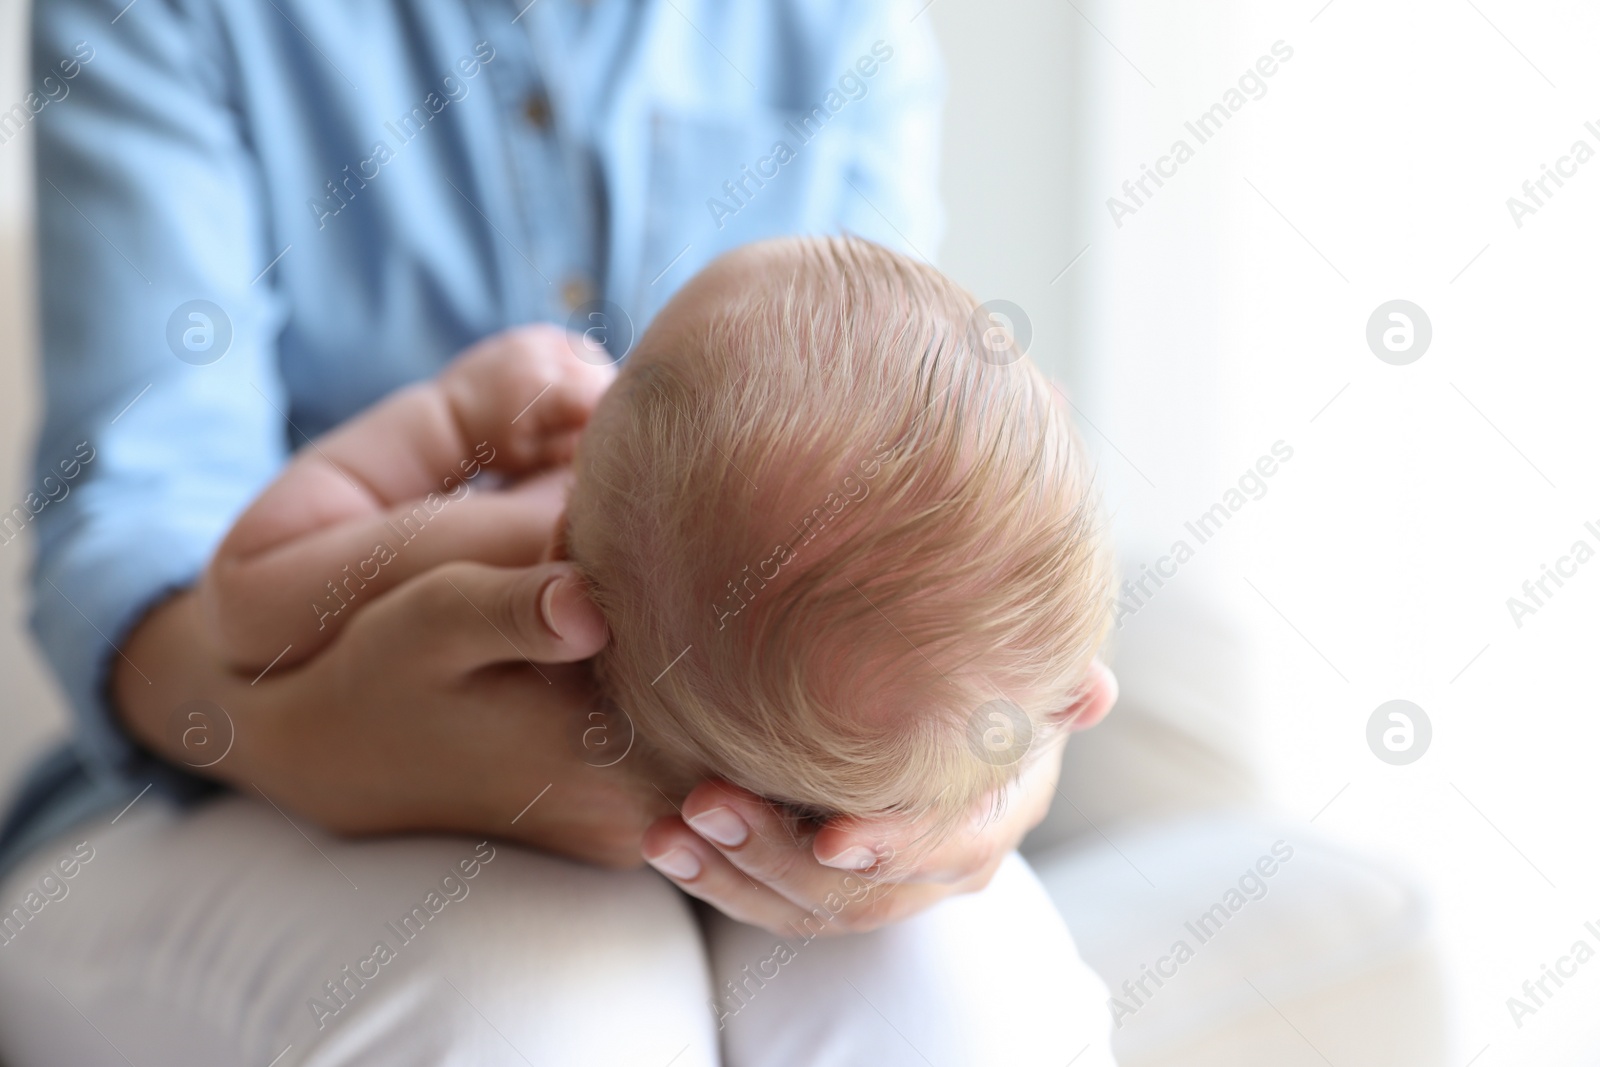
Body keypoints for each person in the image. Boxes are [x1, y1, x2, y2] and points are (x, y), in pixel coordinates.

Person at [0, 1, 1119, 1063]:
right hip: (217, 788)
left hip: (722, 820)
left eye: (636, 379)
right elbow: (155, 537)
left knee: (961, 994)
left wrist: (976, 780)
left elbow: (253, 586)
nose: (599, 365)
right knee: (535, 1013)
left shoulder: (529, 555)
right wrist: (317, 740)